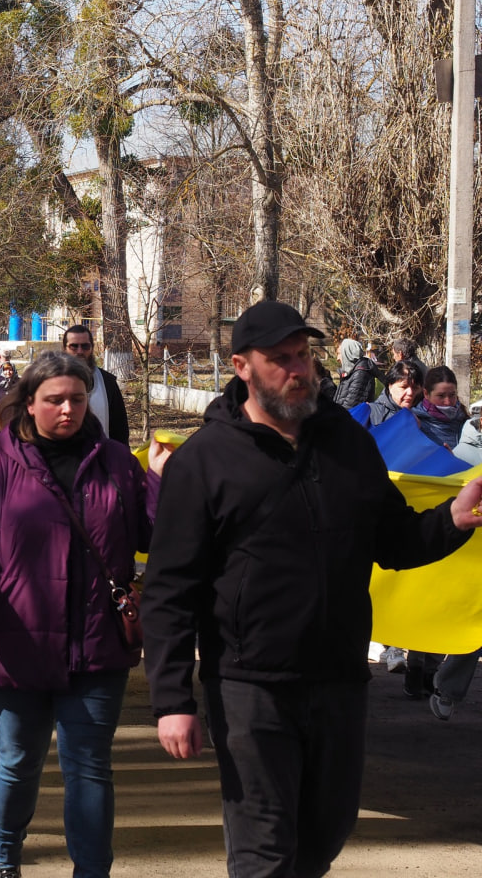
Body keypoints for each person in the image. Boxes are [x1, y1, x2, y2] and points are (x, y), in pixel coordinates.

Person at [141, 300, 482, 878]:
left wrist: (452, 518)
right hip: (249, 684)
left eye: (304, 355)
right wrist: (173, 700)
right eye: (281, 358)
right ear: (242, 365)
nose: (299, 369)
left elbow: (394, 540)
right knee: (264, 849)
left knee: (326, 830)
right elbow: (170, 588)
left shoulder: (347, 444)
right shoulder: (206, 460)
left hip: (340, 677)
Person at [0, 350, 163, 878]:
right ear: (29, 402)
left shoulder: (116, 461)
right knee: (18, 760)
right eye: (54, 400)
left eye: (76, 398)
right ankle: (5, 856)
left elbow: (152, 536)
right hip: (15, 641)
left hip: (97, 642)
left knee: (89, 767)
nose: (67, 410)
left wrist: (157, 480)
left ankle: (92, 872)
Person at [62, 324, 129, 445]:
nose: (80, 351)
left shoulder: (107, 383)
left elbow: (120, 431)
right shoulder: (51, 382)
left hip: (102, 458)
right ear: (64, 349)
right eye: (74, 346)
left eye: (85, 346)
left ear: (92, 348)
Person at [414, 365, 469, 449]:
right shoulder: (415, 424)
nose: (448, 402)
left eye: (452, 395)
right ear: (426, 394)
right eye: (441, 396)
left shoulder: (466, 422)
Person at [365, 359, 424, 426]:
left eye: (415, 388)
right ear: (390, 386)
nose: (410, 392)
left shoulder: (425, 416)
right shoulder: (370, 415)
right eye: (404, 387)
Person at [333, 337, 378, 408]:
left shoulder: (361, 374)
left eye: (339, 353)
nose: (337, 358)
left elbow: (350, 406)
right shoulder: (350, 373)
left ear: (349, 353)